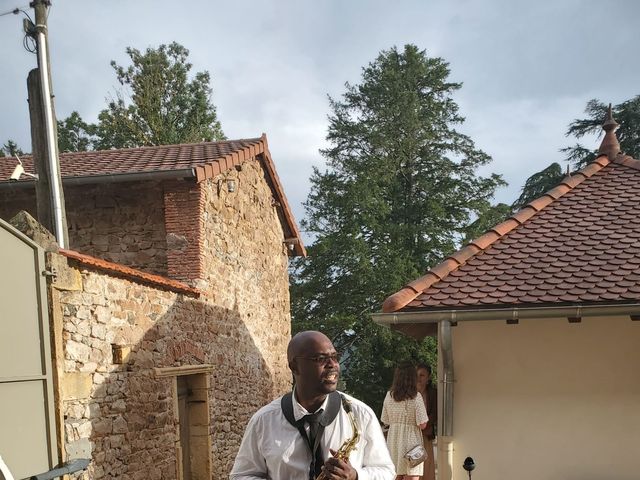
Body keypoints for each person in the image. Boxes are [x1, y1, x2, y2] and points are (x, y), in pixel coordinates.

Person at [230, 330, 395, 480]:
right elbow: (242, 475)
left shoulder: (361, 414)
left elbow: (386, 472)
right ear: (294, 367)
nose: (332, 365)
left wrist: (356, 476)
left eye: (335, 357)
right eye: (320, 359)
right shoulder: (263, 420)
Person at [380, 362, 428, 480]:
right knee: (411, 475)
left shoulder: (389, 396)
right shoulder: (416, 397)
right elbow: (422, 424)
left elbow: (385, 420)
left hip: (394, 443)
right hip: (412, 445)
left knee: (395, 475)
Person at [416, 363, 437, 480]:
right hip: (411, 434)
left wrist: (424, 425)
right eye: (417, 375)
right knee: (412, 468)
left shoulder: (432, 393)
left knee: (426, 468)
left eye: (422, 375)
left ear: (428, 378)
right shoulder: (410, 392)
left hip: (425, 434)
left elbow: (434, 413)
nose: (418, 378)